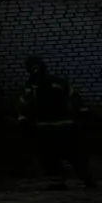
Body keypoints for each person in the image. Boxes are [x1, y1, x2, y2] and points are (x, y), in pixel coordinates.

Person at [18, 56, 95, 188]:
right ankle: (88, 180)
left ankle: (58, 185)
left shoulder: (30, 87)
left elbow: (23, 107)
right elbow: (76, 100)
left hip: (45, 129)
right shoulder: (60, 82)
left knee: (50, 158)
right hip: (66, 127)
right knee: (75, 155)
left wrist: (24, 125)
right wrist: (84, 117)